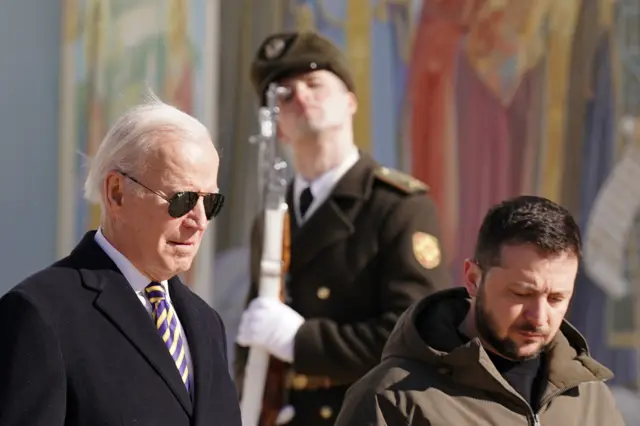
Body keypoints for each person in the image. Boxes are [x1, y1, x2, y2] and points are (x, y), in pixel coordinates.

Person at [234, 31, 450, 426]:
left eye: (315, 83)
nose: (300, 96)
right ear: (278, 126)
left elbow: (421, 336)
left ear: (350, 100)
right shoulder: (272, 220)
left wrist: (303, 342)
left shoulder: (397, 207)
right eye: (283, 94)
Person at [0, 96, 241, 426]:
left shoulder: (205, 322)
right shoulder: (41, 314)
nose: (198, 220)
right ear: (116, 193)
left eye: (210, 202)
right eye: (182, 199)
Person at [334, 195, 626, 425]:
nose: (539, 317)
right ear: (474, 279)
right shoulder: (392, 399)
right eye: (522, 293)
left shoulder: (589, 396)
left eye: (556, 299)